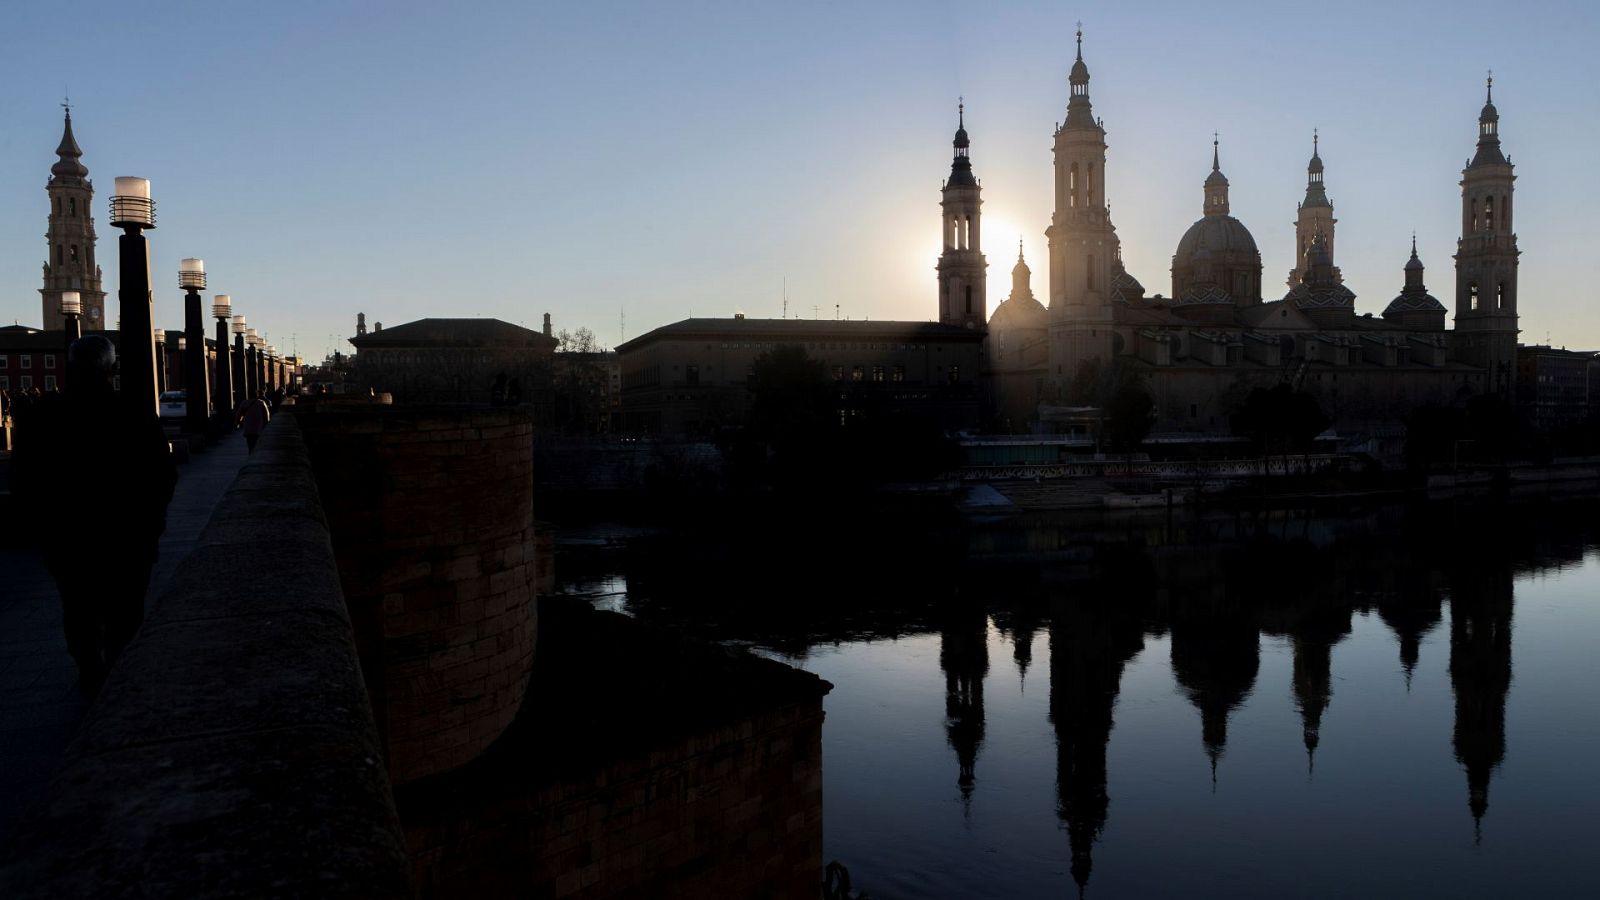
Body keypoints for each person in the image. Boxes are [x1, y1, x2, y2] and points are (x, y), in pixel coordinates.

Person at [11, 335, 177, 696]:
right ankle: (121, 678)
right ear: (112, 369)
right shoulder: (133, 413)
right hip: (127, 537)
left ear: (70, 366)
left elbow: (23, 478)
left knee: (79, 606)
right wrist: (152, 525)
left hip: (67, 538)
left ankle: (89, 668)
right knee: (126, 610)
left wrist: (42, 529)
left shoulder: (42, 416)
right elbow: (162, 475)